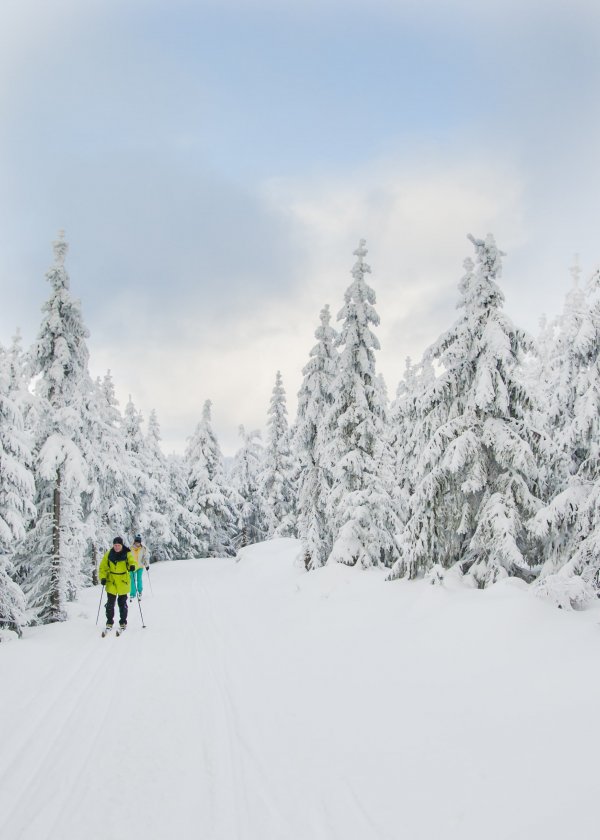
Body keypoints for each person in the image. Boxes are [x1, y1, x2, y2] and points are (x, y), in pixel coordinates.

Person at [99, 537, 136, 631]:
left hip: (123, 580)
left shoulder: (127, 553)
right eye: (115, 545)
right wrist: (103, 578)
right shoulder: (109, 554)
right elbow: (102, 567)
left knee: (122, 603)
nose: (116, 547)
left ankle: (123, 621)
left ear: (121, 545)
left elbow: (132, 562)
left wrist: (132, 566)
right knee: (110, 604)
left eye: (118, 545)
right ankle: (109, 622)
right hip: (112, 580)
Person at [130, 534, 149, 601]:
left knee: (139, 579)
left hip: (140, 566)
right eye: (136, 542)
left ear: (140, 542)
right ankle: (132, 593)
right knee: (132, 580)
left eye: (138, 542)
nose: (137, 543)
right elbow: (128, 557)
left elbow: (145, 557)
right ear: (134, 542)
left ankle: (140, 591)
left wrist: (147, 565)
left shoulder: (143, 548)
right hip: (132, 567)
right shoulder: (130, 548)